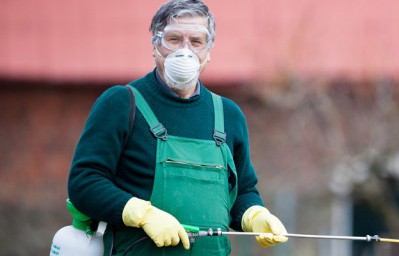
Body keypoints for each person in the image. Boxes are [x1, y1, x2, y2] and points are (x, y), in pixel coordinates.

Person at [67, 0, 288, 255]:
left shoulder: (228, 115)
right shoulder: (121, 103)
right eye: (174, 39)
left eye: (196, 42)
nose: (185, 51)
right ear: (155, 45)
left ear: (209, 51)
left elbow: (242, 191)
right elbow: (85, 182)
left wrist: (254, 214)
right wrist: (141, 214)